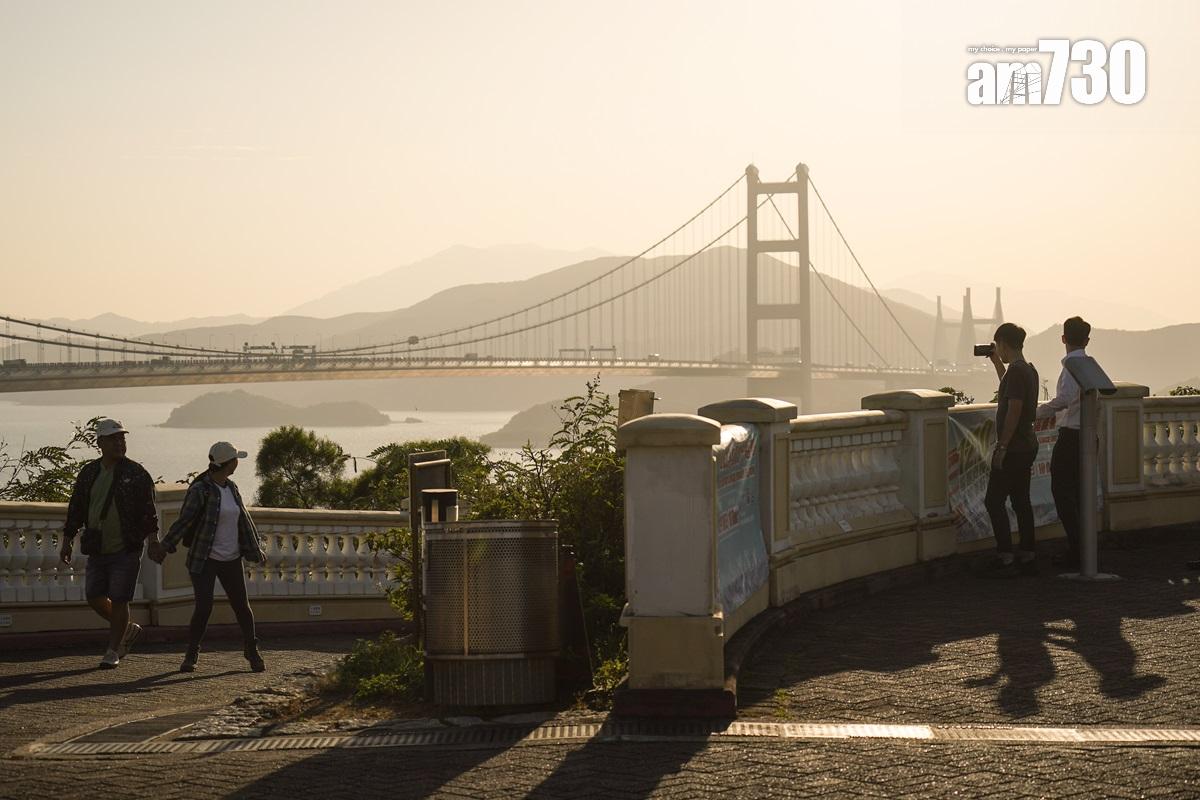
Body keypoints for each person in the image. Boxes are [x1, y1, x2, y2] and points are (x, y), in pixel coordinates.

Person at [151, 441, 267, 673]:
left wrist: (255, 549)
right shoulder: (201, 490)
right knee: (204, 607)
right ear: (229, 463)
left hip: (231, 558)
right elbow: (184, 521)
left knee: (242, 606)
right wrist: (165, 546)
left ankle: (251, 649)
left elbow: (243, 521)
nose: (237, 463)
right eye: (235, 459)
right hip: (205, 557)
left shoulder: (232, 488)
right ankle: (192, 653)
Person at [60, 418, 159, 668]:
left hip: (126, 547)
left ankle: (112, 650)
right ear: (100, 442)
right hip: (97, 547)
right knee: (94, 596)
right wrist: (68, 539)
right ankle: (126, 629)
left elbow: (149, 512)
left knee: (120, 598)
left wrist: (154, 540)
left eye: (122, 438)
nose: (120, 443)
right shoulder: (90, 472)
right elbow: (77, 507)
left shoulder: (136, 474)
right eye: (114, 439)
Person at [981, 323, 1040, 578]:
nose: (999, 352)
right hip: (1027, 444)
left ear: (1003, 342)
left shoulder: (1016, 372)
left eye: (998, 347)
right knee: (1020, 501)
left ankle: (1005, 555)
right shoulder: (1028, 370)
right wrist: (996, 365)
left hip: (1014, 447)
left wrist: (1001, 447)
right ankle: (1027, 552)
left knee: (994, 500)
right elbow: (1010, 390)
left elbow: (1013, 409)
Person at [1036, 316, 1091, 570]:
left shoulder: (1071, 365)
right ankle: (1083, 548)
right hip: (1089, 435)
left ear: (1063, 339)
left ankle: (1077, 548)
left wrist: (1039, 411)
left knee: (1062, 490)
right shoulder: (1089, 364)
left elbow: (1066, 398)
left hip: (1071, 435)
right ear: (1087, 340)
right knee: (1081, 493)